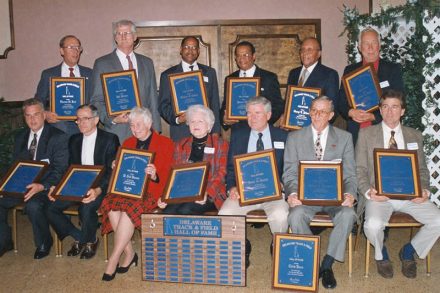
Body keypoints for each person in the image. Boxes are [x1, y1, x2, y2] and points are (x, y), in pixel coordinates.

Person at [356, 90, 440, 279]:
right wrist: (369, 192)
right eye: (385, 107)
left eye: (395, 107)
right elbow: (359, 169)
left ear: (402, 111)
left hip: (411, 196)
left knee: (439, 221)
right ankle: (381, 254)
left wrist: (424, 191)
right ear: (379, 110)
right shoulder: (366, 134)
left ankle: (408, 251)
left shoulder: (414, 135)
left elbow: (422, 171)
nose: (390, 111)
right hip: (379, 196)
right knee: (372, 225)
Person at [283, 96, 357, 289]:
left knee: (348, 215)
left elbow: (349, 174)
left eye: (322, 111)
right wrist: (291, 194)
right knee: (296, 215)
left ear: (331, 115)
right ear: (309, 112)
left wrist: (350, 194)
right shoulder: (294, 137)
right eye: (314, 110)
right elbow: (289, 172)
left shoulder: (344, 138)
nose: (317, 115)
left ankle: (327, 264)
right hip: (305, 198)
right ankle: (312, 261)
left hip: (335, 197)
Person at [99, 107, 173, 281]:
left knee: (127, 209)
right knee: (110, 203)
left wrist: (155, 175)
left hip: (152, 192)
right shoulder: (127, 143)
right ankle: (130, 253)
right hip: (128, 190)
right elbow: (122, 173)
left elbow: (169, 175)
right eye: (132, 125)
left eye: (139, 124)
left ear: (149, 124)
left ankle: (114, 258)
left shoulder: (165, 143)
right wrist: (116, 166)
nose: (135, 128)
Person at [218, 96, 289, 267]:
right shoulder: (239, 135)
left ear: (269, 114)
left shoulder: (283, 136)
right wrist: (232, 187)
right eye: (249, 113)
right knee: (225, 214)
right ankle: (242, 246)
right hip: (244, 192)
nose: (252, 117)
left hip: (273, 194)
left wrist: (283, 185)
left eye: (257, 113)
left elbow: (290, 168)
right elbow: (230, 167)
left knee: (281, 215)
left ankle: (277, 245)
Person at [47, 104, 119, 259]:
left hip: (99, 186)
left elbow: (112, 171)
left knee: (86, 208)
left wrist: (99, 189)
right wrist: (57, 187)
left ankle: (88, 240)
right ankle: (83, 237)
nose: (81, 122)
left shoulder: (110, 139)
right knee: (50, 207)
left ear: (96, 120)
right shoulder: (74, 139)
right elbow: (69, 169)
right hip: (76, 185)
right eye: (78, 119)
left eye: (85, 119)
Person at [0, 98, 68, 259]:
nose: (32, 119)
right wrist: (5, 184)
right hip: (21, 185)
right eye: (28, 115)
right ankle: (4, 241)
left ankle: (44, 242)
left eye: (36, 114)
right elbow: (16, 166)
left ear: (44, 115)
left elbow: (60, 170)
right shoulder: (20, 137)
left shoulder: (58, 137)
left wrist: (41, 186)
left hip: (46, 187)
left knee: (33, 205)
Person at [90, 19, 161, 144]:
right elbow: (96, 100)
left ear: (134, 37)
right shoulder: (102, 63)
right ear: (115, 38)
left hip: (145, 130)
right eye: (119, 33)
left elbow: (153, 99)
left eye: (127, 33)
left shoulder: (147, 63)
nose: (123, 36)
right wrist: (112, 119)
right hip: (117, 131)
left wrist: (156, 130)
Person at [338, 27, 404, 144]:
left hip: (383, 129)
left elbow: (400, 101)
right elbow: (340, 101)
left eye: (374, 43)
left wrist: (374, 117)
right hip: (355, 132)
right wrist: (350, 112)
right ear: (359, 47)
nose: (370, 48)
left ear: (379, 46)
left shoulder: (393, 69)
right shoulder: (349, 70)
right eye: (366, 43)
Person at [158, 105, 228, 214]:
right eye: (192, 121)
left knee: (186, 210)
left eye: (200, 121)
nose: (195, 124)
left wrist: (207, 192)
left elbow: (222, 173)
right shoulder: (180, 145)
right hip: (183, 192)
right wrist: (165, 196)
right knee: (168, 211)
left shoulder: (220, 144)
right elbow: (173, 175)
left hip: (210, 193)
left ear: (209, 125)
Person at [159, 36, 221, 142]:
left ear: (198, 51)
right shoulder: (168, 75)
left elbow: (215, 103)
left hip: (207, 131)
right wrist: (178, 119)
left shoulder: (210, 72)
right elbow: (163, 106)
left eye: (194, 47)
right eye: (187, 47)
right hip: (180, 132)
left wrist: (216, 131)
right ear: (181, 49)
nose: (190, 50)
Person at [35, 35, 93, 136]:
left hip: (85, 128)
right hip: (58, 129)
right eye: (71, 47)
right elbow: (38, 102)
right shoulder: (49, 74)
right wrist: (45, 114)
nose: (75, 51)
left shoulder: (90, 73)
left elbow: (96, 99)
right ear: (62, 51)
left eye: (78, 47)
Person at [220, 41, 284, 128]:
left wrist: (265, 121)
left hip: (262, 130)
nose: (241, 59)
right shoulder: (230, 79)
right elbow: (225, 105)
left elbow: (278, 105)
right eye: (238, 55)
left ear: (253, 56)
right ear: (235, 58)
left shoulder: (269, 77)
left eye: (245, 55)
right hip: (238, 132)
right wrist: (224, 120)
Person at [287, 37, 339, 112]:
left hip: (315, 122)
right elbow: (288, 102)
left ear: (319, 54)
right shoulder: (293, 73)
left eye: (309, 50)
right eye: (302, 49)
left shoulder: (329, 75)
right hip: (293, 120)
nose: (305, 53)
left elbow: (332, 107)